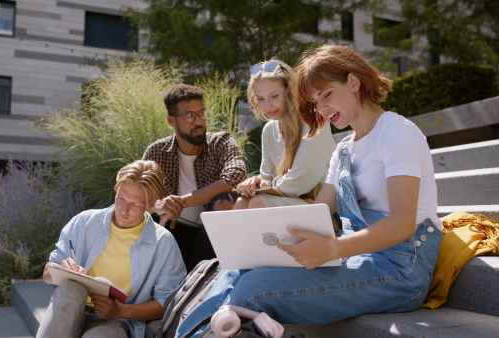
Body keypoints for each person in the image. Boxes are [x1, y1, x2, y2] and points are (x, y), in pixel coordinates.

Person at [175, 44, 442, 337]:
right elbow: (320, 210)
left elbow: (403, 223)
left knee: (254, 289)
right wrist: (258, 243)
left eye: (326, 94)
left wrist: (334, 248)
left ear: (354, 82)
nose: (322, 109)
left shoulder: (396, 132)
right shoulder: (343, 149)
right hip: (355, 257)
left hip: (401, 268)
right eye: (315, 101)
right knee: (237, 269)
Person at [37, 160, 186, 338]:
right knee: (71, 289)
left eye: (135, 204)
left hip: (118, 322)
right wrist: (61, 269)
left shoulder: (163, 243)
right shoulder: (84, 222)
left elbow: (167, 305)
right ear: (116, 189)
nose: (124, 209)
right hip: (71, 310)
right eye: (121, 197)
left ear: (151, 204)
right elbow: (47, 272)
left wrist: (121, 311)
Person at [142, 84, 247, 269]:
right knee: (150, 217)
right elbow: (137, 197)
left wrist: (180, 202)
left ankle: (200, 280)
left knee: (224, 202)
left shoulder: (221, 142)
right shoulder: (157, 152)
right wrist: (158, 205)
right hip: (173, 231)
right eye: (189, 116)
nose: (198, 121)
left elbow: (236, 177)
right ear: (171, 121)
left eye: (201, 113)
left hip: (213, 237)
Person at [234, 59, 335, 209]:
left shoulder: (313, 119)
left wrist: (266, 184)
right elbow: (267, 178)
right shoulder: (269, 130)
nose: (267, 106)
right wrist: (255, 181)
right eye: (260, 99)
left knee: (257, 202)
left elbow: (299, 182)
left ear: (290, 92)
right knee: (242, 201)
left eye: (274, 96)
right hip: (291, 202)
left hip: (323, 208)